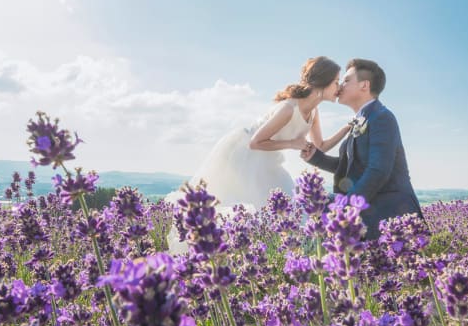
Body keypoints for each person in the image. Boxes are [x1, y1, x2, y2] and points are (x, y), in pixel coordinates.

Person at [166, 56, 351, 252]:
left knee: (287, 208)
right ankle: (216, 252)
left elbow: (320, 145)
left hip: (269, 161)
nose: (338, 88)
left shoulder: (314, 112)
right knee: (246, 208)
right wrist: (293, 143)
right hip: (244, 156)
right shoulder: (289, 108)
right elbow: (255, 142)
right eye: (336, 82)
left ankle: (279, 259)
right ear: (322, 83)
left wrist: (348, 127)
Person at [301, 58, 423, 240]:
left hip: (392, 214)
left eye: (347, 80)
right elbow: (350, 166)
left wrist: (347, 207)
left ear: (364, 85)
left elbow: (378, 170)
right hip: (373, 209)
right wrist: (316, 157)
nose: (340, 85)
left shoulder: (382, 117)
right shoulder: (362, 119)